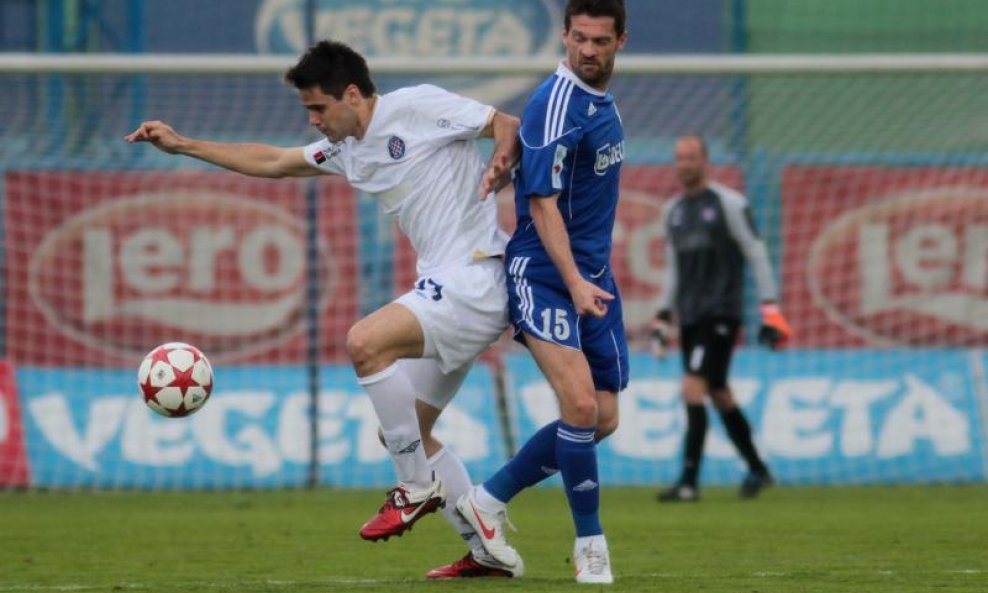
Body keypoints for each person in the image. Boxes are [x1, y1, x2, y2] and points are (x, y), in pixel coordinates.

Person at [125, 40, 524, 579]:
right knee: (402, 428)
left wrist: (501, 157)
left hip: (476, 276)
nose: (314, 121)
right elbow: (274, 161)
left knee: (365, 342)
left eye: (319, 108)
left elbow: (506, 121)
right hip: (446, 286)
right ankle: (487, 550)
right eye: (308, 111)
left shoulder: (418, 106)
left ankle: (413, 487)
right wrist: (184, 145)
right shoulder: (349, 150)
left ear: (353, 95)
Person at [448, 0, 628, 585]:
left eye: (600, 41)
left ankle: (489, 497)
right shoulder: (554, 101)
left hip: (591, 275)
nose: (588, 51)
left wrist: (512, 153)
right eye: (579, 38)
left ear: (619, 42)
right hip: (546, 274)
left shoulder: (600, 101)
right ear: (564, 36)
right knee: (578, 407)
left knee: (602, 418)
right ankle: (591, 547)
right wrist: (573, 280)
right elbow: (541, 203)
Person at [652, 134, 792, 502]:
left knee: (692, 387)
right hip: (692, 315)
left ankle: (688, 482)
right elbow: (673, 270)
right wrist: (664, 318)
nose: (684, 164)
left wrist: (770, 308)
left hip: (721, 313)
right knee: (719, 393)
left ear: (705, 161)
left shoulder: (729, 203)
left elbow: (756, 252)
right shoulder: (674, 212)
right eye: (679, 158)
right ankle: (759, 470)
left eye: (691, 157)